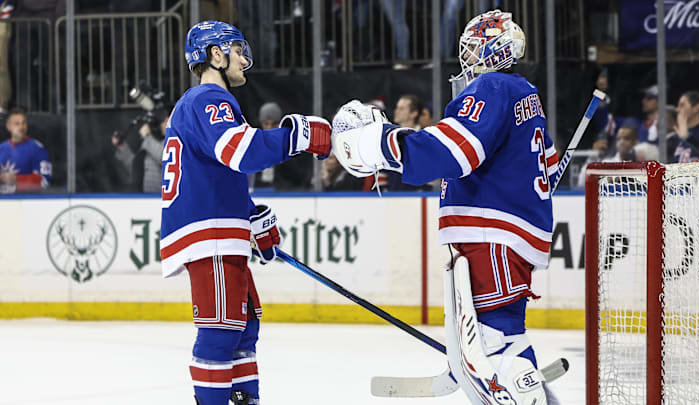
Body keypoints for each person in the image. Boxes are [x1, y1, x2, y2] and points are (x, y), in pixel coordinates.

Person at [331, 10, 557, 404]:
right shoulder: (525, 94)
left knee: (495, 342)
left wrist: (376, 143)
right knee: (504, 333)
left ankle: (525, 390)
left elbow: (452, 151)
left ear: (494, 50)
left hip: (493, 232)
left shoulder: (493, 88)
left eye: (472, 50)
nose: (466, 60)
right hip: (506, 231)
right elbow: (549, 166)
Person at [160, 21, 330, 405]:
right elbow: (241, 151)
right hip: (210, 236)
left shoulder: (208, 104)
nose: (242, 57)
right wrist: (298, 135)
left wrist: (249, 219)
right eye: (235, 49)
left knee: (243, 327)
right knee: (220, 331)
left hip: (220, 230)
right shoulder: (207, 99)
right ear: (215, 54)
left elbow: (220, 173)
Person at [111, 111, 168, 193]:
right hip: (145, 198)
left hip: (162, 198)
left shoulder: (173, 142)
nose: (164, 125)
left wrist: (147, 136)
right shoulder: (151, 142)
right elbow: (134, 166)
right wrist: (122, 147)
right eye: (163, 122)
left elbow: (164, 157)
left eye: (167, 121)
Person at [0, 107, 51, 193]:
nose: (21, 126)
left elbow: (44, 181)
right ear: (8, 127)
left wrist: (16, 179)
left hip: (26, 201)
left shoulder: (37, 149)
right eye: (17, 124)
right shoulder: (1, 148)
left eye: (23, 123)